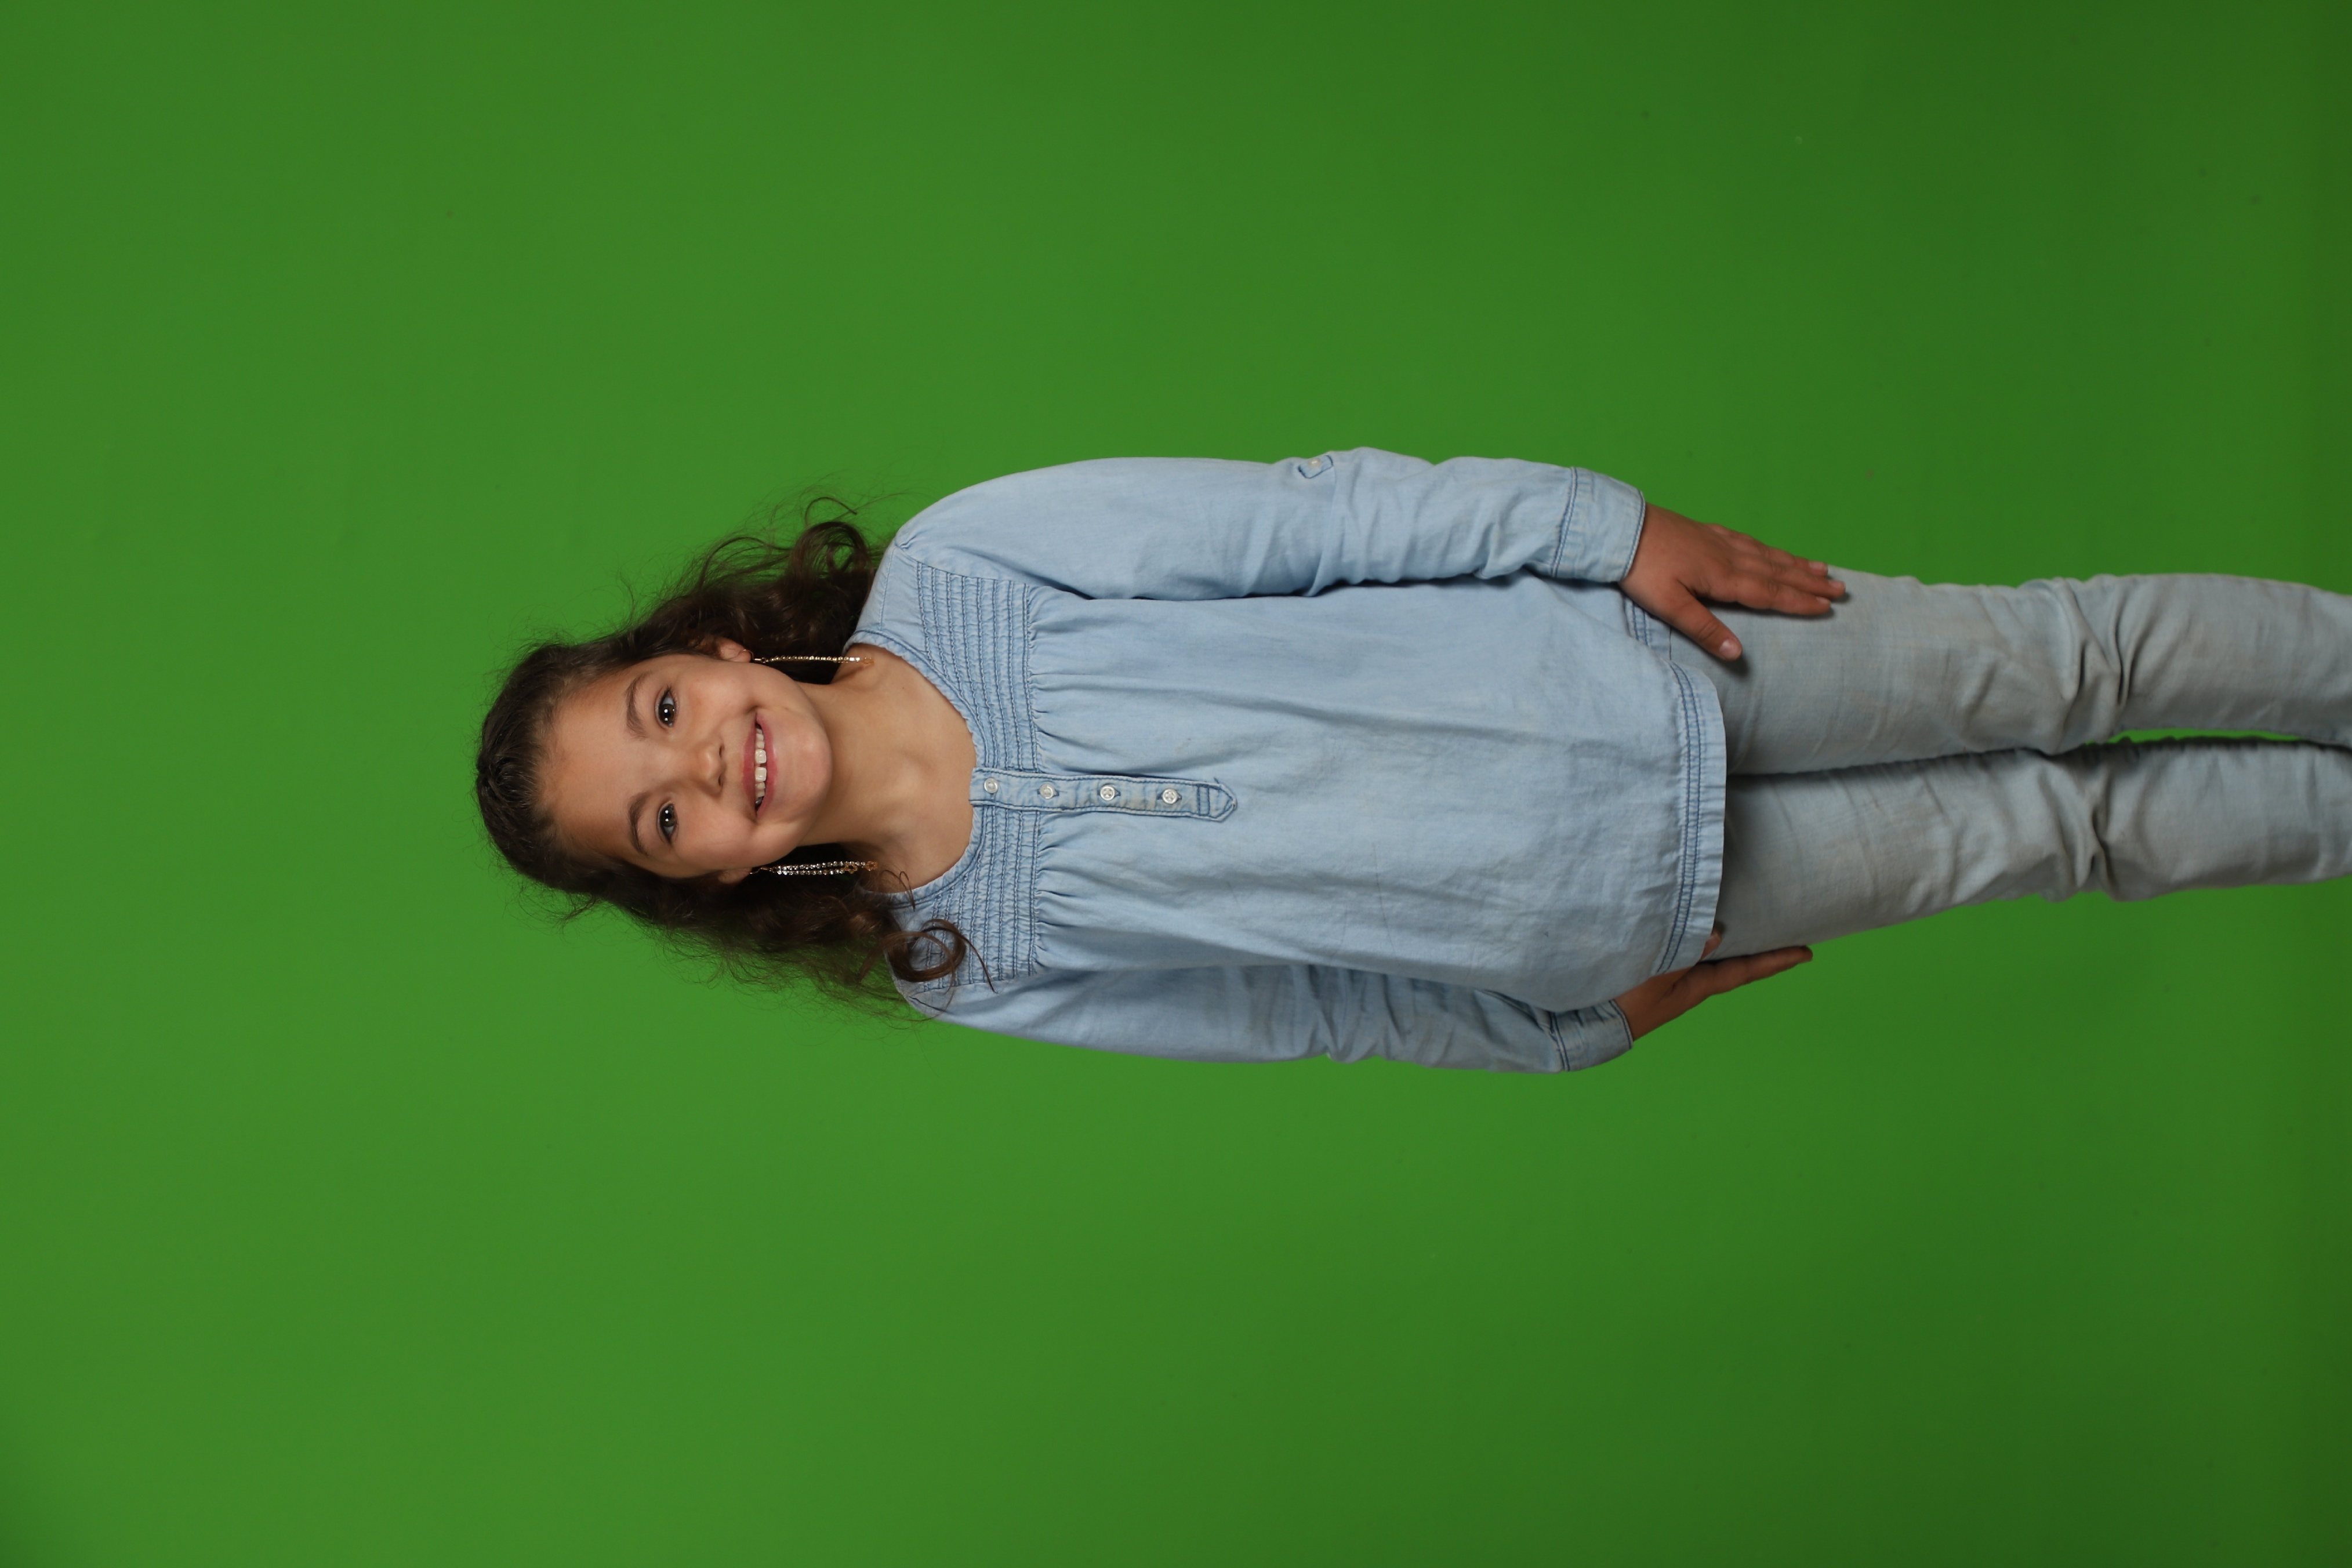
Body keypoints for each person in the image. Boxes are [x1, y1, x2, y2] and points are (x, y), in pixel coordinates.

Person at [474, 449, 2352, 1070]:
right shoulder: (967, 965)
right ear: (710, 878)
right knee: (2067, 832)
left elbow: (1319, 519)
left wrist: (1607, 529)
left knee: (2067, 662)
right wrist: (1564, 1029)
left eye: (662, 714)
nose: (706, 768)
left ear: (709, 652)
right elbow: (1298, 1010)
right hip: (1622, 908)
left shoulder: (974, 566)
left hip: (1647, 668)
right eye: (662, 821)